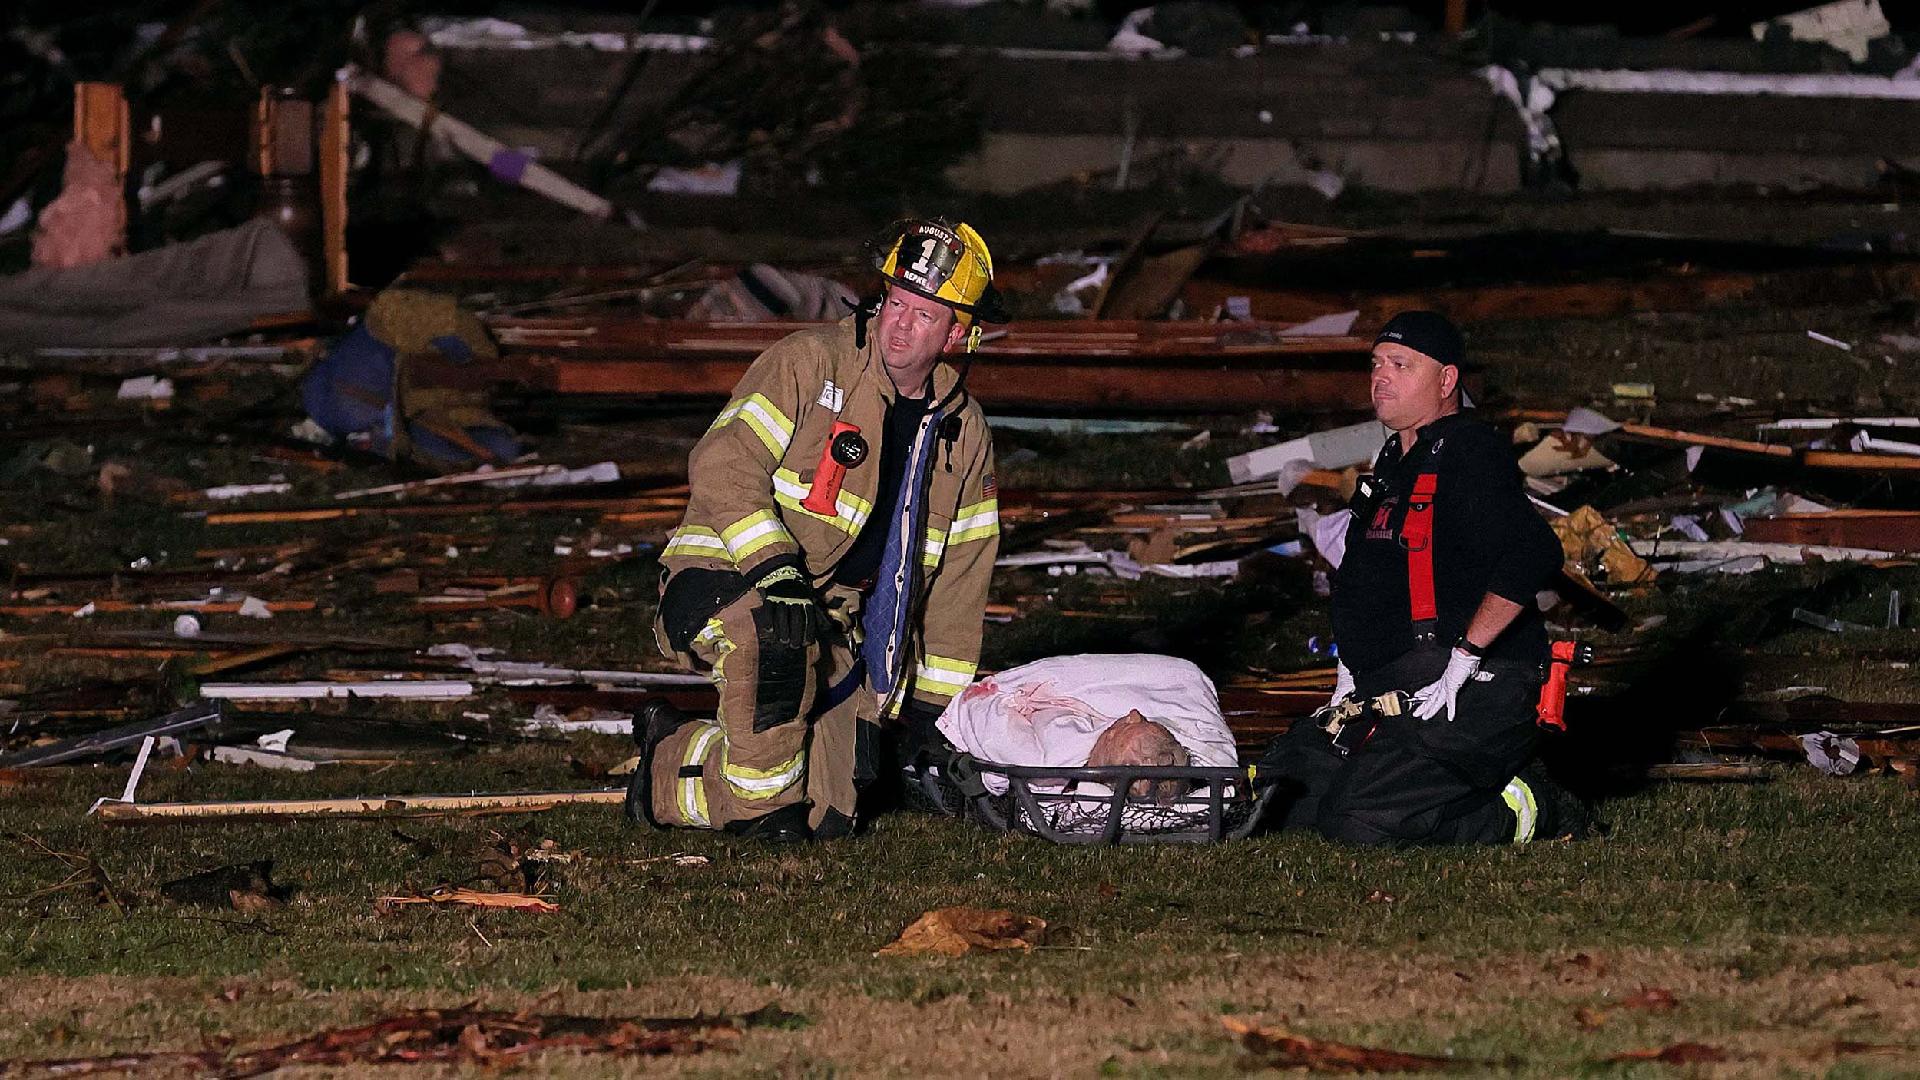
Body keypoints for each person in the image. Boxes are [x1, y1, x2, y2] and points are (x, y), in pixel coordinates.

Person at [627, 219, 1007, 843]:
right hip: (725, 579)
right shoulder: (809, 363)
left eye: (923, 316)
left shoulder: (962, 435)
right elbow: (722, 463)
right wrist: (773, 565)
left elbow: (961, 579)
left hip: (832, 620)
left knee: (832, 808)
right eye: (895, 304)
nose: (899, 325)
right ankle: (763, 823)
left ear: (959, 334)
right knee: (775, 649)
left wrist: (926, 712)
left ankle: (671, 763)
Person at [1261, 310, 1593, 845]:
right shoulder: (1395, 457)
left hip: (1472, 690)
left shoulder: (1468, 452)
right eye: (1375, 365)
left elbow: (1534, 551)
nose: (1380, 379)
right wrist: (1350, 665)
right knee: (1283, 797)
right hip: (1395, 687)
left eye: (1400, 365)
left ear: (1446, 381)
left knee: (1358, 821)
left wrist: (1467, 655)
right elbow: (1367, 574)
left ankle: (1530, 801)